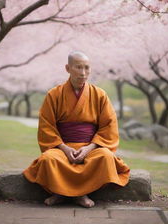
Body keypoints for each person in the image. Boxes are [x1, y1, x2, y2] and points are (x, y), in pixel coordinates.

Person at [23, 52, 130, 208]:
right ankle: (61, 193)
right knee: (48, 159)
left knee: (105, 157)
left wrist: (88, 148)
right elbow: (47, 126)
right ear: (68, 68)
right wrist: (65, 149)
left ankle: (77, 194)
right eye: (78, 67)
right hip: (62, 147)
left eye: (86, 68)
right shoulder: (54, 94)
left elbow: (109, 125)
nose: (83, 73)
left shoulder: (99, 95)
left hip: (91, 147)